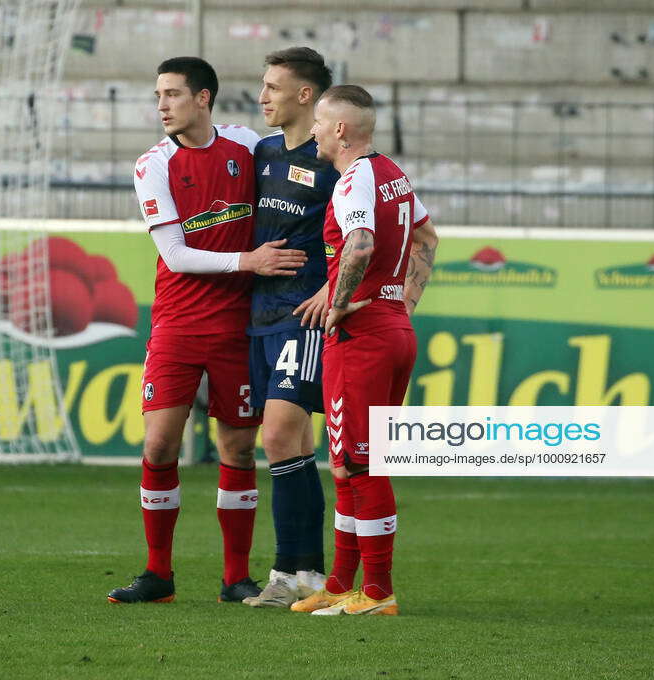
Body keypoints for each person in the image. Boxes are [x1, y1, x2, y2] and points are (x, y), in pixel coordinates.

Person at [108, 57, 307, 605]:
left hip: (240, 327)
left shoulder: (246, 145)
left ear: (203, 98)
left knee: (239, 450)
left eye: (172, 94)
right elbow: (173, 253)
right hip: (176, 323)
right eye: (158, 96)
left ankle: (235, 578)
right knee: (159, 443)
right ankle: (157, 574)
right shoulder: (153, 164)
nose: (162, 105)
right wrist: (249, 261)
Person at [290, 85, 439, 616]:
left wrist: (340, 304)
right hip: (391, 328)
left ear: (340, 131)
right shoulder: (393, 174)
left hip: (361, 338)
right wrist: (400, 303)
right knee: (348, 463)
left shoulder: (353, 179)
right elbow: (427, 238)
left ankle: (377, 592)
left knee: (363, 461)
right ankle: (341, 583)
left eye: (319, 123)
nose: (311, 131)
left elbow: (360, 244)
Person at [241, 47, 340, 609]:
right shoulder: (262, 152)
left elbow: (364, 229)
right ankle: (308, 577)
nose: (263, 97)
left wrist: (332, 287)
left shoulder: (335, 163)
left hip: (304, 314)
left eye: (273, 87)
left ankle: (286, 573)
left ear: (305, 95)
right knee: (293, 442)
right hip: (260, 314)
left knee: (279, 434)